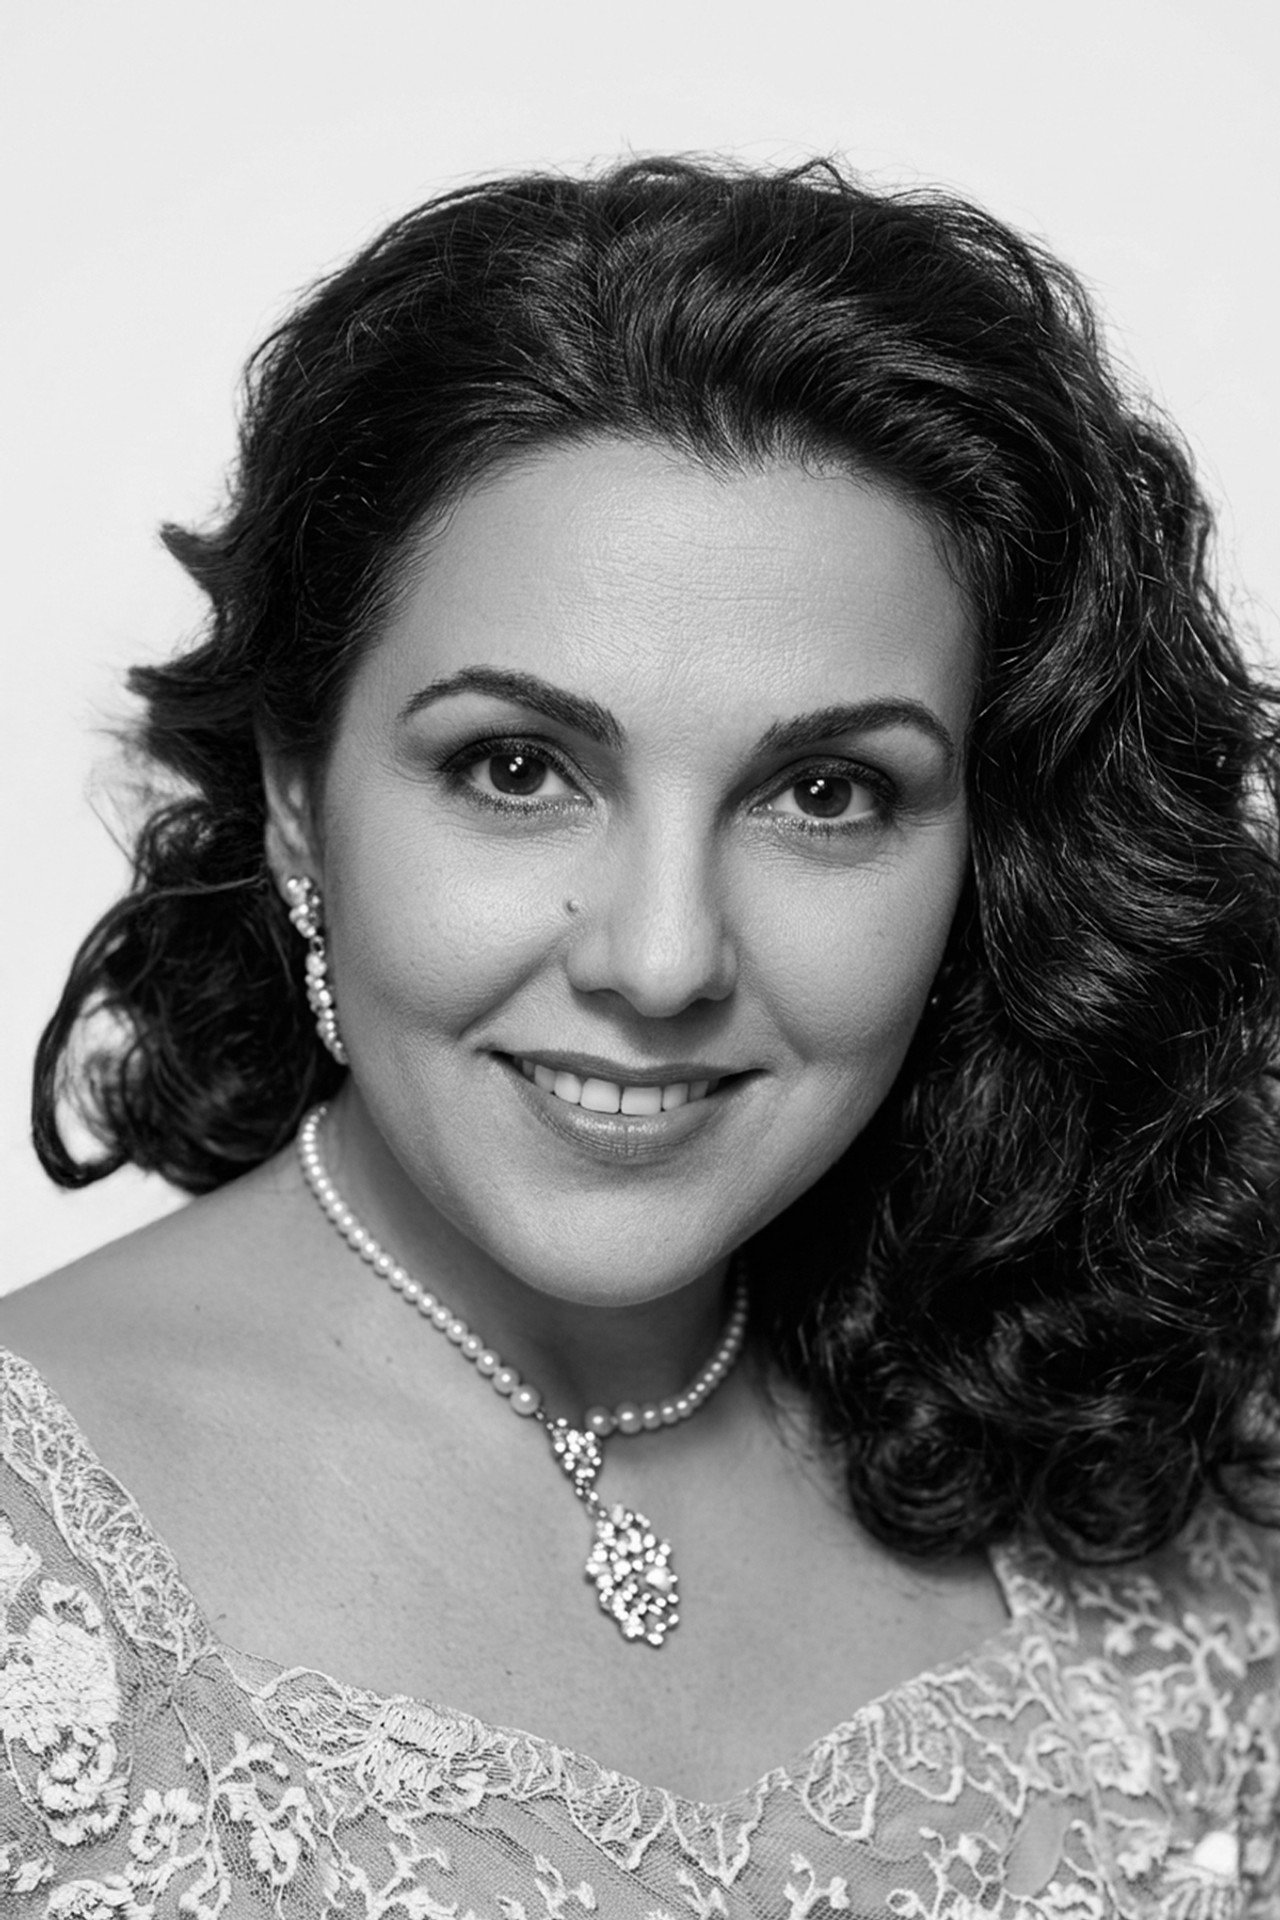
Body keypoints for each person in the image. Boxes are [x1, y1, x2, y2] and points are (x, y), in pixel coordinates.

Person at [2, 154, 1278, 1917]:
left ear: (992, 849)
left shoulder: (1154, 1465)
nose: (664, 959)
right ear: (299, 798)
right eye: (517, 768)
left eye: (826, 792)